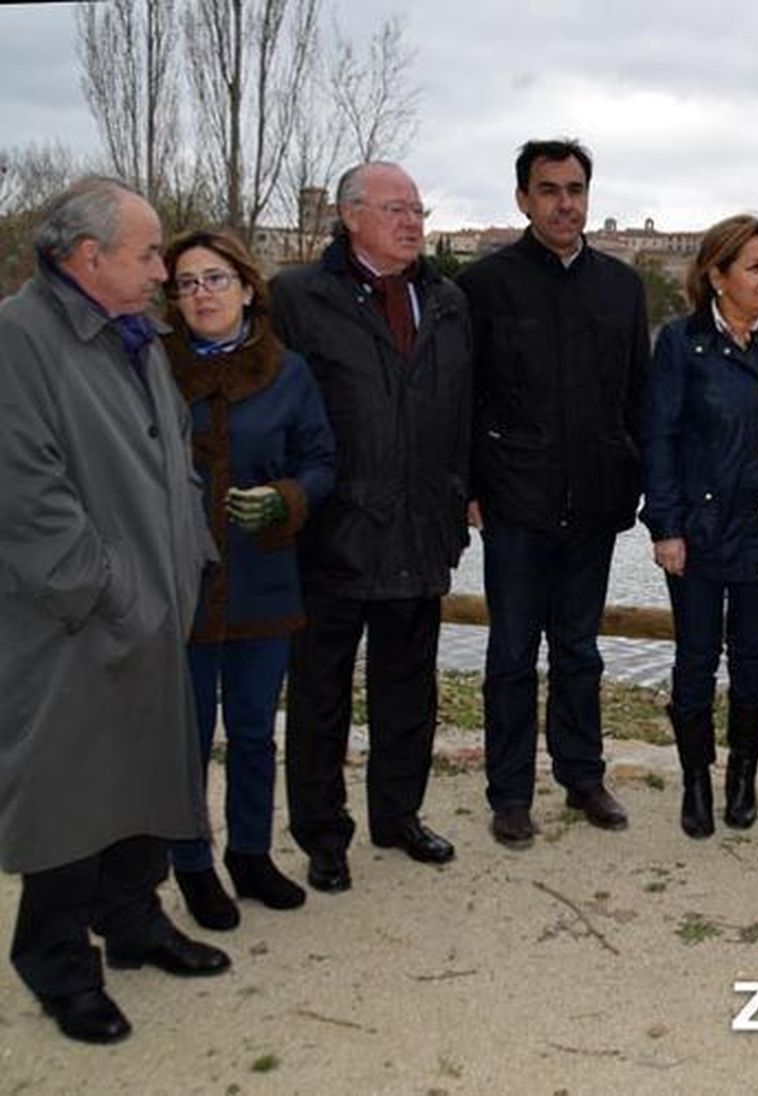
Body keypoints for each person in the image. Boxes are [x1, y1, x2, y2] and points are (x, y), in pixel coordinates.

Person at [0, 177, 229, 1045]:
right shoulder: (19, 340)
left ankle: (133, 923)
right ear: (88, 257)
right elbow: (25, 498)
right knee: (67, 792)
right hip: (74, 621)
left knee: (145, 773)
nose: (164, 270)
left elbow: (170, 457)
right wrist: (110, 592)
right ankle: (56, 964)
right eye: (146, 253)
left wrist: (189, 555)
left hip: (150, 605)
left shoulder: (131, 336)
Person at [271, 162, 473, 892]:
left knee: (407, 690)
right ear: (351, 216)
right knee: (321, 697)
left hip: (421, 529)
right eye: (395, 208)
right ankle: (324, 837)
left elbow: (463, 409)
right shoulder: (298, 297)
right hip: (333, 532)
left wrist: (461, 491)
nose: (413, 221)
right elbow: (277, 409)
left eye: (418, 208)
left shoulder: (446, 301)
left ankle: (398, 817)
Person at [457, 139, 649, 847]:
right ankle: (509, 793)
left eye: (575, 189)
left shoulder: (620, 287)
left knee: (580, 650)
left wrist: (631, 475)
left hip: (595, 502)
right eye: (549, 190)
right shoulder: (484, 287)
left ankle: (582, 777)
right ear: (523, 200)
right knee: (511, 653)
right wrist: (469, 488)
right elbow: (464, 401)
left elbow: (637, 395)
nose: (565, 203)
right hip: (513, 503)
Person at [159, 230, 336, 930]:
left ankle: (252, 853)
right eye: (187, 283)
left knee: (256, 729)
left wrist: (286, 499)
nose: (203, 293)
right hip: (181, 585)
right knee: (187, 736)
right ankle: (193, 865)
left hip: (264, 576)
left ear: (246, 285)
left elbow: (322, 459)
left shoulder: (286, 371)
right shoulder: (151, 367)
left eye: (215, 278)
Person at [640, 214, 758, 838]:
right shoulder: (680, 343)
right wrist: (666, 527)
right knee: (695, 659)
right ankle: (695, 780)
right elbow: (659, 440)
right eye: (756, 266)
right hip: (696, 532)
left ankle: (743, 777)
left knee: (754, 659)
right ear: (718, 276)